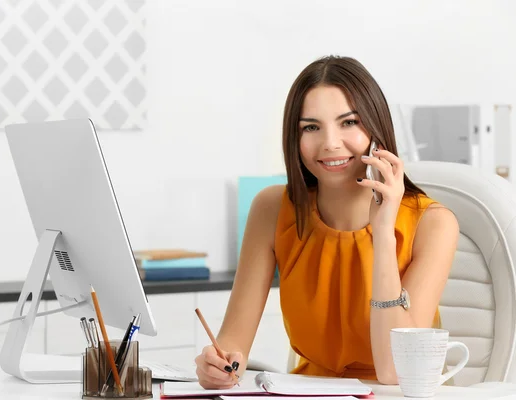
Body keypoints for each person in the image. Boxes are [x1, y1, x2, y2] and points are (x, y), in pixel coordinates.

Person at [194, 55, 459, 388]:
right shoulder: (272, 209)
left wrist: (382, 232)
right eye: (311, 127)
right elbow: (232, 343)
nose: (330, 143)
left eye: (349, 122)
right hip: (305, 392)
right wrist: (218, 365)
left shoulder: (434, 224)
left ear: (377, 130)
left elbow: (394, 372)